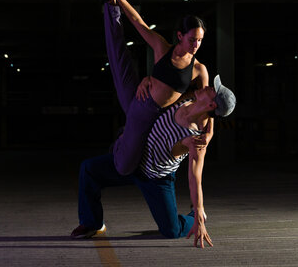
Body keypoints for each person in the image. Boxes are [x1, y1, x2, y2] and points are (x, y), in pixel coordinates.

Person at [71, 75, 236, 248]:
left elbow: (195, 177)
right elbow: (199, 69)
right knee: (89, 169)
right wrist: (147, 79)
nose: (208, 87)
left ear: (212, 105)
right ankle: (93, 224)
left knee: (171, 231)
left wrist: (199, 211)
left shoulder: (195, 138)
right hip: (134, 161)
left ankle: (192, 218)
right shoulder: (187, 98)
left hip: (156, 178)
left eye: (212, 90)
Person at [96, 0, 213, 176]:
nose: (196, 45)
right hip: (139, 99)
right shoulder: (162, 48)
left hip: (150, 114)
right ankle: (110, 0)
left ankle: (122, 138)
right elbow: (138, 23)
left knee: (124, 167)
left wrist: (210, 132)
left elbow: (208, 103)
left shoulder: (199, 70)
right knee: (118, 56)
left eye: (200, 40)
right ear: (180, 35)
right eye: (192, 39)